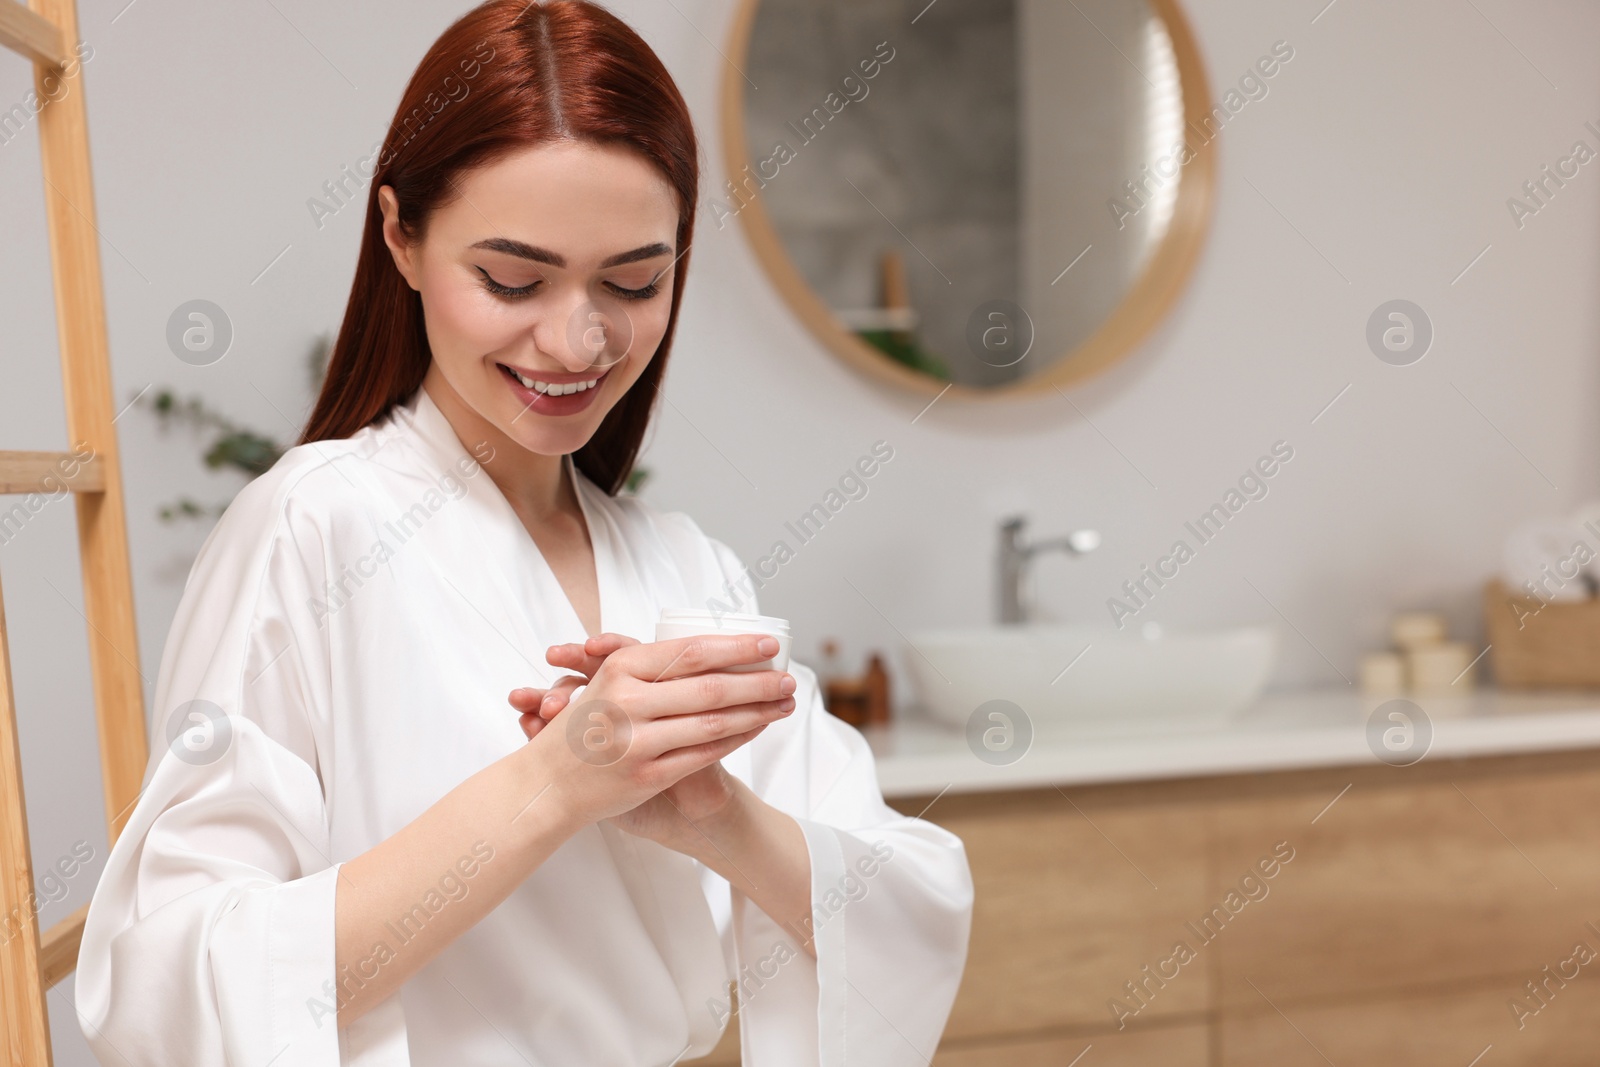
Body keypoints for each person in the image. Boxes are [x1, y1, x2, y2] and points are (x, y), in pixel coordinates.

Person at [73, 2, 973, 1064]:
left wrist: (713, 819)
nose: (577, 339)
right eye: (512, 280)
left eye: (635, 281)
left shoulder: (687, 568)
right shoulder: (308, 530)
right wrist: (555, 784)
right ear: (400, 236)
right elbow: (174, 980)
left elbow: (908, 899)